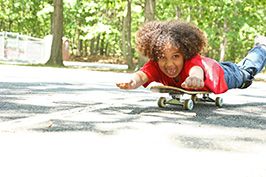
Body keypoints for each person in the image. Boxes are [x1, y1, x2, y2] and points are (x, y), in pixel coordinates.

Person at [116, 20, 266, 94]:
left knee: (246, 72)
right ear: (155, 57)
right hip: (211, 66)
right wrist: (131, 81)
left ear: (185, 54)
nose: (169, 64)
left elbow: (196, 71)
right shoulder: (154, 65)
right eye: (163, 57)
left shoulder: (191, 62)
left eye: (175, 56)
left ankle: (261, 48)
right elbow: (141, 76)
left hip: (223, 75)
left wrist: (195, 79)